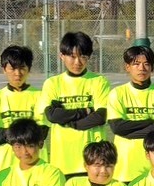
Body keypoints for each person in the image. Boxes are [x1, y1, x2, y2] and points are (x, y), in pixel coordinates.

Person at [38, 31, 111, 177]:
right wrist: (86, 111)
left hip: (94, 161)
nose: (77, 62)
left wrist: (71, 123)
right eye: (72, 56)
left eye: (83, 56)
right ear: (61, 56)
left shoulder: (99, 82)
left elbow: (101, 116)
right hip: (63, 161)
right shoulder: (52, 84)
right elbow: (52, 115)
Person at [107, 45, 154, 183]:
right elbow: (117, 127)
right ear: (127, 67)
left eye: (146, 64)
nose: (141, 68)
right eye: (136, 64)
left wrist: (128, 133)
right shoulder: (117, 93)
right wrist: (150, 122)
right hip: (125, 168)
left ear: (152, 67)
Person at [0, 45, 46, 184]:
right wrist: (26, 134)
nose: (17, 73)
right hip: (3, 168)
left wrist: (6, 133)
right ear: (4, 69)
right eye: (12, 68)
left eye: (22, 68)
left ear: (29, 69)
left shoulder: (40, 97)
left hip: (35, 168)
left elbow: (41, 132)